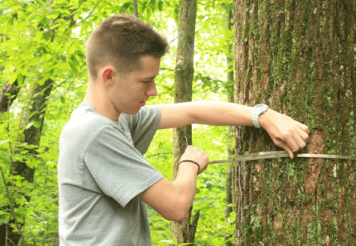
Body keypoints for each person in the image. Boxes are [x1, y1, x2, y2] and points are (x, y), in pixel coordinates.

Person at [58, 14, 309, 245]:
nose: (153, 90)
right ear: (109, 76)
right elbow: (175, 206)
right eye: (146, 81)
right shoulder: (94, 131)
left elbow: (191, 111)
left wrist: (262, 115)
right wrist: (189, 164)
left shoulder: (118, 118)